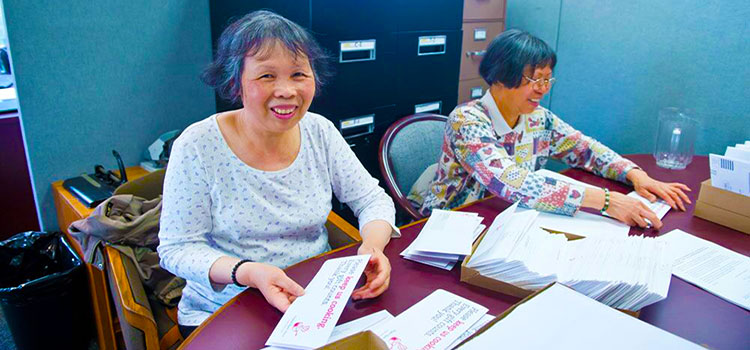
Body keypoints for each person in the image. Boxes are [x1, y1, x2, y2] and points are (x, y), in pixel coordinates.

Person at [157, 10, 399, 337]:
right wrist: (248, 272)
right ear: (235, 81)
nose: (286, 90)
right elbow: (177, 248)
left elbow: (372, 199)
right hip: (228, 309)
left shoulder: (320, 131)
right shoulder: (198, 145)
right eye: (267, 76)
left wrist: (372, 246)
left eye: (299, 74)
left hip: (315, 299)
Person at [411, 29, 690, 229]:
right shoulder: (467, 121)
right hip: (452, 228)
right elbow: (511, 182)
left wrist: (635, 174)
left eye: (548, 80)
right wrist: (606, 201)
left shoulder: (538, 118)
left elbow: (585, 149)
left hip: (508, 220)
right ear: (501, 75)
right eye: (535, 79)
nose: (543, 90)